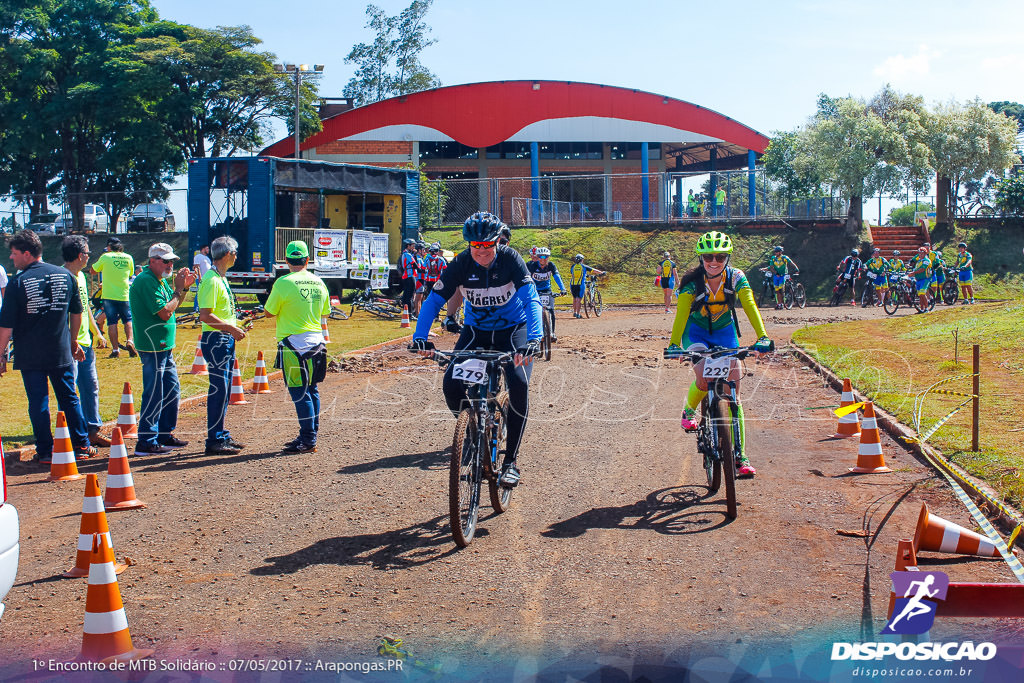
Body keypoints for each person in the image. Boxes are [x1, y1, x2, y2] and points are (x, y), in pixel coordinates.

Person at [412, 212, 542, 487]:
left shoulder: (511, 259)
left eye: (487, 246)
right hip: (477, 332)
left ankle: (510, 462)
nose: (481, 252)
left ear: (497, 242)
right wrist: (421, 336)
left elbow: (531, 300)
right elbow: (434, 300)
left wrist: (534, 339)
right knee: (451, 383)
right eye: (475, 246)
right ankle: (472, 430)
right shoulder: (460, 264)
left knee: (519, 384)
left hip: (512, 330)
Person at [665, 231, 773, 478]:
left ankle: (740, 455)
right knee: (703, 378)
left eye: (720, 256)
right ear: (701, 258)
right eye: (708, 257)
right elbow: (681, 315)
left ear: (727, 258)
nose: (714, 261)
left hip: (725, 333)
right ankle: (689, 411)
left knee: (733, 393)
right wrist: (673, 344)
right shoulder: (692, 283)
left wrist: (762, 336)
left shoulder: (737, 278)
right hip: (696, 333)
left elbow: (749, 304)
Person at [0, 230, 97, 464]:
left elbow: (5, 325)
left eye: (14, 254)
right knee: (69, 397)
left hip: (30, 354)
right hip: (60, 350)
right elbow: (77, 313)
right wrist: (73, 341)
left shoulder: (18, 282)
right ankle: (82, 444)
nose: (11, 259)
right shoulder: (65, 276)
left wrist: (1, 354)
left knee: (38, 401)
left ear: (26, 253)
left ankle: (45, 450)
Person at [128, 242, 195, 455]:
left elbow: (175, 305)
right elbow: (165, 312)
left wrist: (183, 288)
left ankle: (163, 434)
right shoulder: (147, 280)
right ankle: (146, 439)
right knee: (155, 393)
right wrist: (178, 289)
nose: (170, 265)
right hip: (153, 345)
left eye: (172, 261)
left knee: (171, 391)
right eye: (166, 261)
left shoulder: (159, 280)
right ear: (153, 261)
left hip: (163, 345)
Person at [263, 240, 330, 454]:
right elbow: (325, 313)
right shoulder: (319, 282)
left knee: (299, 393)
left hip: (293, 344)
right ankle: (310, 433)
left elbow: (269, 312)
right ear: (307, 260)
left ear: (286, 261)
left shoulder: (283, 282)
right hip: (317, 342)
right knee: (312, 389)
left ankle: (308, 439)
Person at [198, 236, 247, 456]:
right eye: (235, 252)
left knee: (224, 390)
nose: (237, 255)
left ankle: (220, 434)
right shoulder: (211, 280)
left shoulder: (220, 278)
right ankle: (215, 439)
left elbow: (220, 313)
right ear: (227, 254)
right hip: (216, 340)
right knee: (219, 390)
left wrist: (238, 325)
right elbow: (205, 315)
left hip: (223, 338)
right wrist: (230, 328)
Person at [63, 235, 112, 447]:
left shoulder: (81, 277)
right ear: (80, 255)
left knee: (90, 385)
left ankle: (92, 429)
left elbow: (84, 309)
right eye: (88, 254)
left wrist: (97, 332)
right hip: (69, 343)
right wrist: (70, 341)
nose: (89, 258)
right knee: (70, 388)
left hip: (85, 341)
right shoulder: (63, 277)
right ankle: (71, 433)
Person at [91, 237, 136, 358]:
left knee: (111, 322)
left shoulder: (106, 257)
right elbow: (131, 273)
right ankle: (130, 341)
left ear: (109, 247)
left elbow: (93, 270)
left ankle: (116, 350)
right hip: (124, 294)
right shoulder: (128, 257)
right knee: (128, 320)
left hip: (109, 295)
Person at [528, 247, 567, 341]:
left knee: (551, 310)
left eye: (545, 257)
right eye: (541, 256)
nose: (543, 259)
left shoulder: (551, 265)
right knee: (533, 311)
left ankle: (552, 332)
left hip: (546, 290)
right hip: (534, 290)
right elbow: (527, 278)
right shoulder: (531, 265)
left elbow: (557, 277)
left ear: (548, 257)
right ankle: (534, 333)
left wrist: (563, 289)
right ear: (537, 257)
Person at [568, 254, 606, 318]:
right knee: (578, 299)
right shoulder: (583, 266)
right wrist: (601, 272)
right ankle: (578, 313)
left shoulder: (573, 266)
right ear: (582, 260)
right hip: (580, 284)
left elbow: (573, 274)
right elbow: (593, 270)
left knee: (574, 298)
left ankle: (574, 312)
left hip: (572, 284)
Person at [398, 238, 419, 318]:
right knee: (410, 295)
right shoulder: (408, 254)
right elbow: (414, 265)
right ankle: (410, 314)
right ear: (408, 246)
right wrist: (421, 270)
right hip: (410, 276)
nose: (414, 247)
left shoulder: (404, 254)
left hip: (406, 276)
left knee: (406, 295)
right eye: (413, 245)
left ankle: (406, 313)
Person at [909, 246, 933, 313]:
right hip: (918, 279)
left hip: (925, 279)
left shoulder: (927, 261)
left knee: (922, 293)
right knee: (920, 295)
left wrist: (913, 273)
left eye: (922, 253)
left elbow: (922, 269)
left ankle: (926, 308)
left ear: (925, 254)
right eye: (919, 253)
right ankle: (921, 309)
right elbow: (916, 269)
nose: (920, 255)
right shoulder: (919, 261)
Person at [192, 244, 212, 313]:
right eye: (207, 248)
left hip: (207, 279)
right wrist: (200, 277)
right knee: (200, 293)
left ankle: (204, 307)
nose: (208, 250)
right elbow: (197, 267)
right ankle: (196, 308)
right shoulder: (198, 256)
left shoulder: (207, 258)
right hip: (201, 278)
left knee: (206, 293)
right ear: (203, 249)